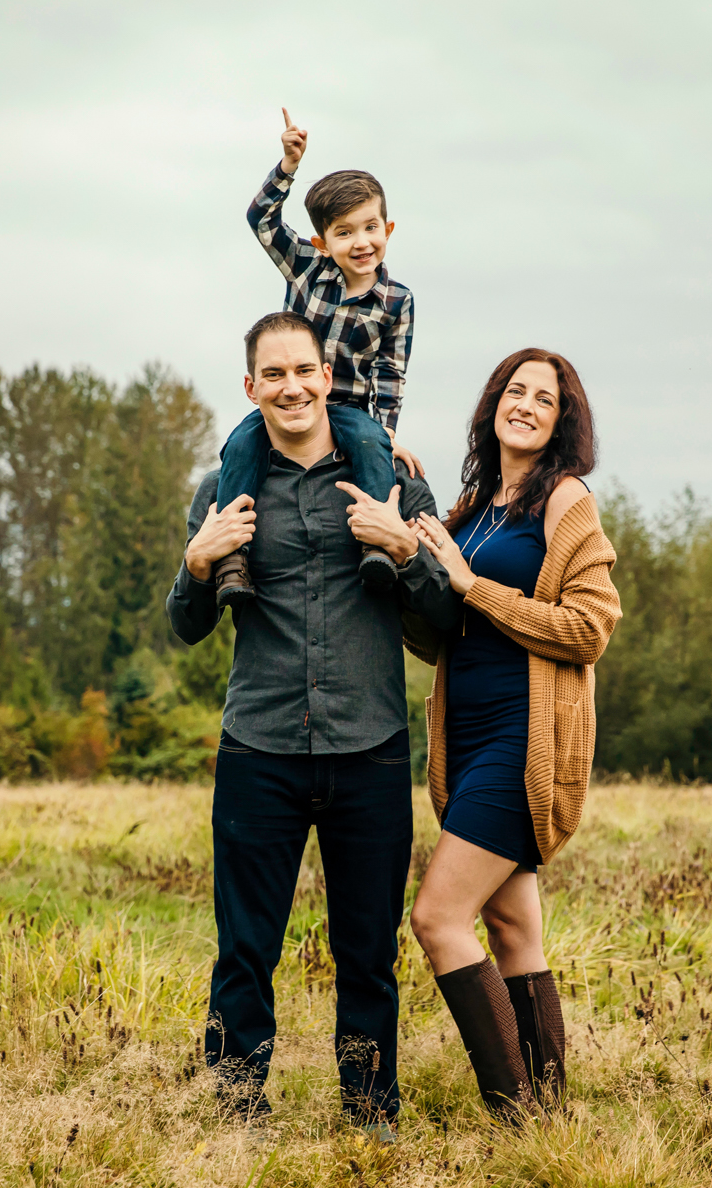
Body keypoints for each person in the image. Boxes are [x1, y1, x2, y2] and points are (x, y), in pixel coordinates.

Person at [167, 311, 458, 1139]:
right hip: (258, 748)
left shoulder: (393, 479)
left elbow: (445, 627)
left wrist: (404, 549)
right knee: (244, 945)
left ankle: (370, 1112)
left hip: (369, 748)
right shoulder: (222, 488)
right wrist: (195, 565)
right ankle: (236, 1110)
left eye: (306, 371)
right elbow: (185, 626)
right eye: (274, 374)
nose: (292, 386)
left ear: (328, 377)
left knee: (367, 952)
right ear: (251, 387)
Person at [403, 348, 621, 1122]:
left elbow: (590, 626)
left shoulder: (565, 502)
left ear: (563, 421)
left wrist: (471, 584)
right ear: (494, 401)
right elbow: (444, 630)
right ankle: (549, 1122)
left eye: (546, 398)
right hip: (467, 739)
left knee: (436, 919)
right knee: (511, 928)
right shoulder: (477, 505)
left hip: (522, 745)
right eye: (516, 389)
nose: (526, 404)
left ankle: (513, 1116)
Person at [210, 109, 422, 607]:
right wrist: (287, 164)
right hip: (289, 406)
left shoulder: (397, 301)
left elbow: (390, 371)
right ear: (323, 242)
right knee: (239, 446)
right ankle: (231, 557)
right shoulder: (307, 268)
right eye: (345, 233)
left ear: (387, 227)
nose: (361, 242)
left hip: (345, 411)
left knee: (371, 448)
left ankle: (376, 546)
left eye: (370, 227)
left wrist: (388, 429)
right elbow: (260, 219)